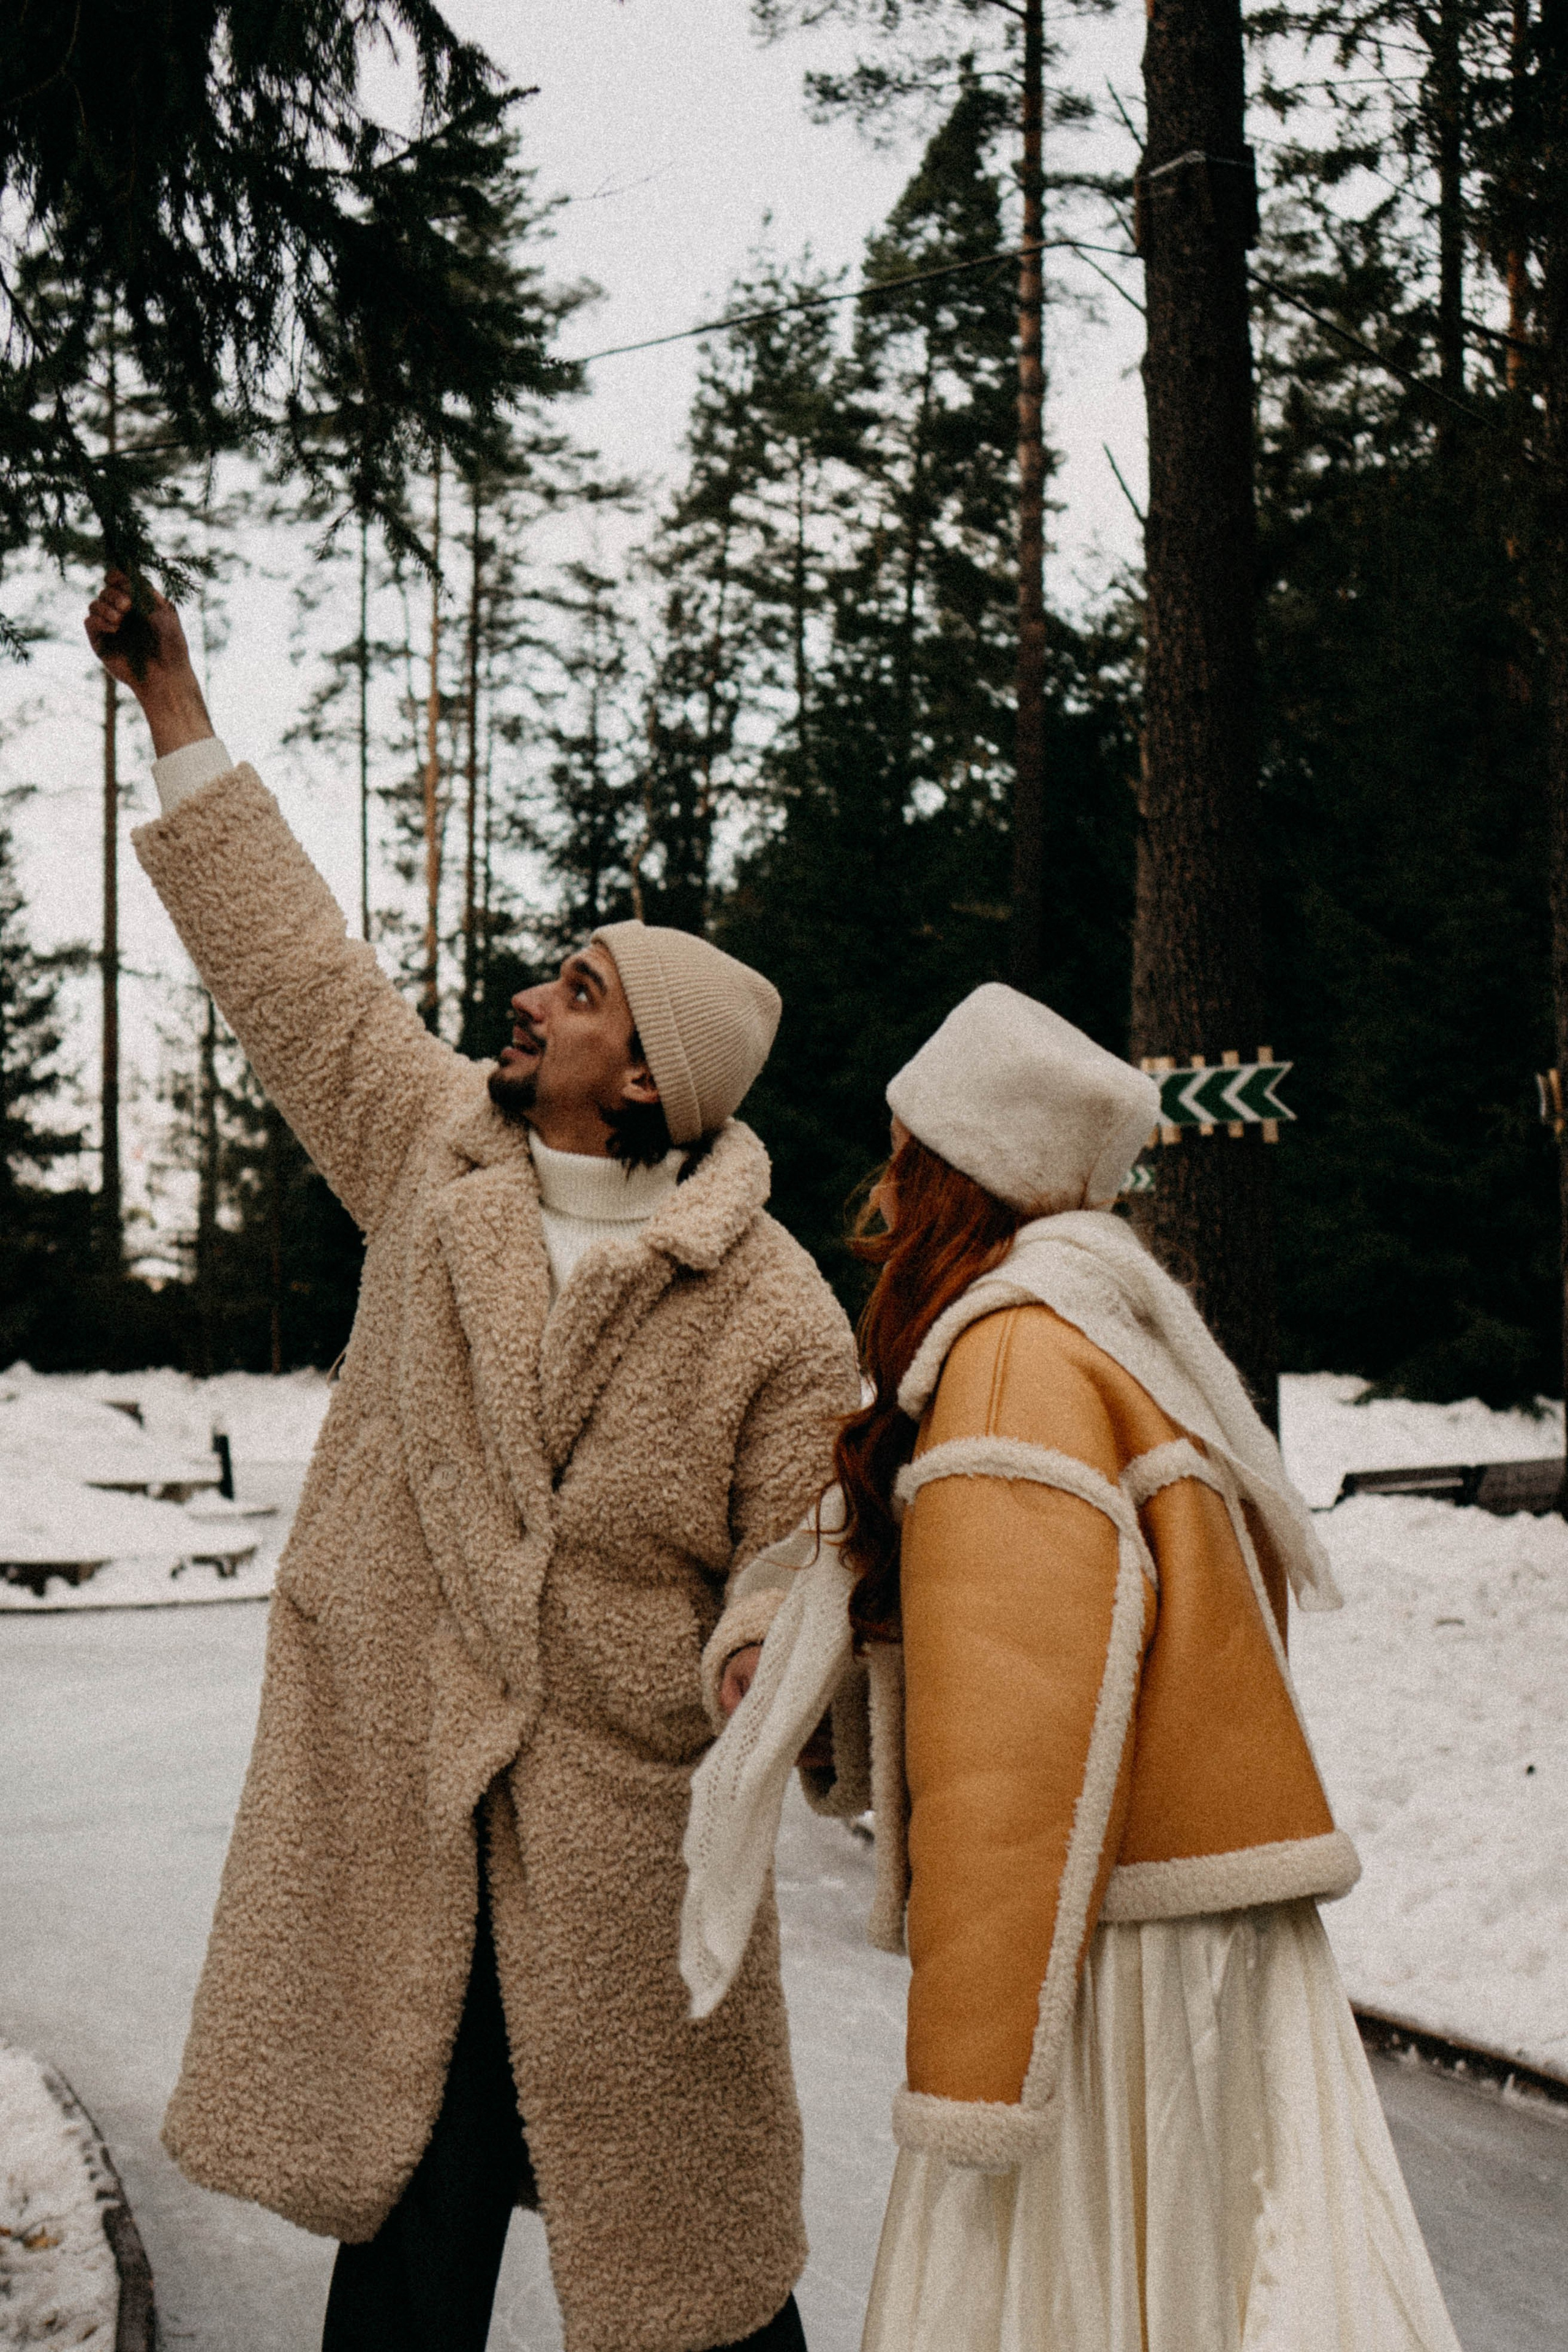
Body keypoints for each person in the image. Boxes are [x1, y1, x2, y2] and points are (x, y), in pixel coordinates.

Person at [85, 573, 859, 2352]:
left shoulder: (770, 1307)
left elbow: (810, 1541)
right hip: (416, 1822)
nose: (527, 1000)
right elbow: (295, 970)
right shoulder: (437, 1164)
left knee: (700, 2297)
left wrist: (760, 1635)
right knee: (410, 2263)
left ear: (652, 1080)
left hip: (620, 1864)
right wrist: (174, 702)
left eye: (576, 994)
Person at [698, 982, 1461, 2352]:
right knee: (1238, 2282)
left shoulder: (1005, 1364)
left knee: (1070, 2296)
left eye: (903, 1153)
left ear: (955, 1175)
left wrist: (972, 2071)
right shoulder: (1112, 1335)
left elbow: (1015, 1745)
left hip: (1103, 1960)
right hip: (1188, 1922)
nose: (881, 1188)